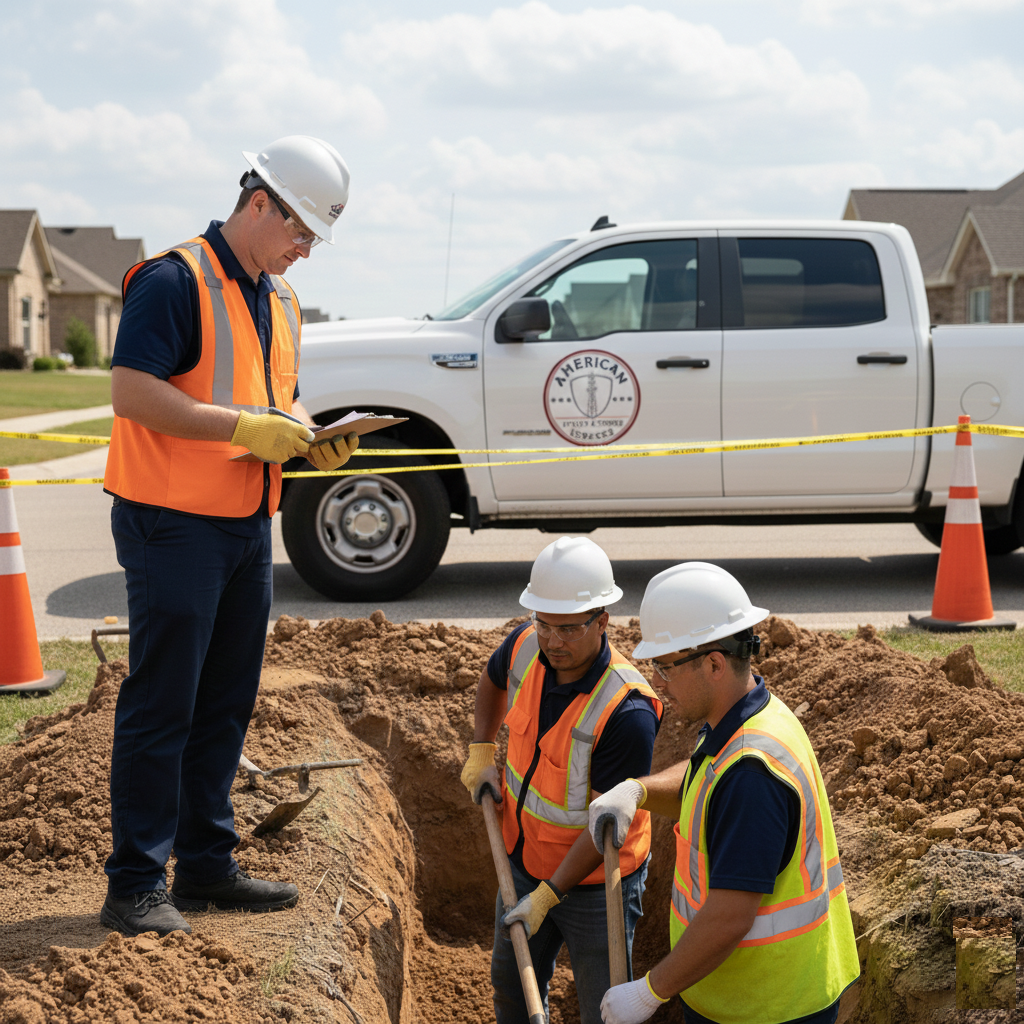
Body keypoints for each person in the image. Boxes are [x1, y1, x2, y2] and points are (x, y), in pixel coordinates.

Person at [100, 136, 359, 938]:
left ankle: (206, 865)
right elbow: (133, 393)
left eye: (315, 238)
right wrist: (246, 425)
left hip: (247, 523)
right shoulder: (175, 281)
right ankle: (136, 884)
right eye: (301, 232)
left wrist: (314, 435)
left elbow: (276, 402)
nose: (304, 250)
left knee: (224, 704)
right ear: (259, 204)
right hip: (171, 521)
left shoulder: (277, 298)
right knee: (163, 703)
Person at [588, 562, 860, 1024]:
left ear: (714, 663)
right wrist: (638, 790)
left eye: (667, 667)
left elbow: (731, 916)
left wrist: (650, 991)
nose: (659, 682)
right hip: (745, 994)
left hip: (767, 1005)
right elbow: (702, 782)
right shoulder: (745, 720)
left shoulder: (753, 774)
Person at [461, 536, 664, 1024]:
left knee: (605, 1010)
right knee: (511, 991)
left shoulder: (626, 711)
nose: (553, 641)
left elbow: (603, 831)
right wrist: (482, 748)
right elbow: (493, 676)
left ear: (602, 621)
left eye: (569, 629)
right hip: (521, 861)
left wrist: (549, 895)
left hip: (596, 885)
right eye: (545, 624)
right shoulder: (527, 645)